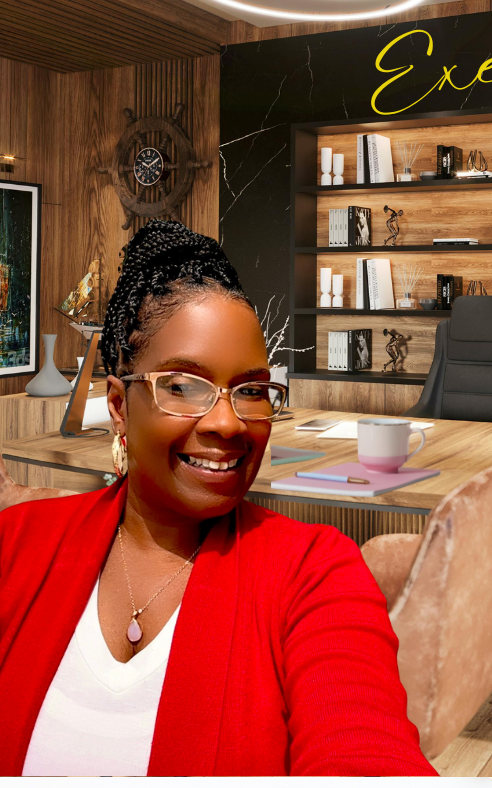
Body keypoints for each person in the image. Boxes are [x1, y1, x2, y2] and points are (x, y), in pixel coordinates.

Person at [0, 221, 437, 777]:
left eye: (252, 390)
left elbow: (363, 746)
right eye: (182, 385)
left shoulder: (315, 572)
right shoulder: (15, 545)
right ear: (117, 405)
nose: (230, 423)